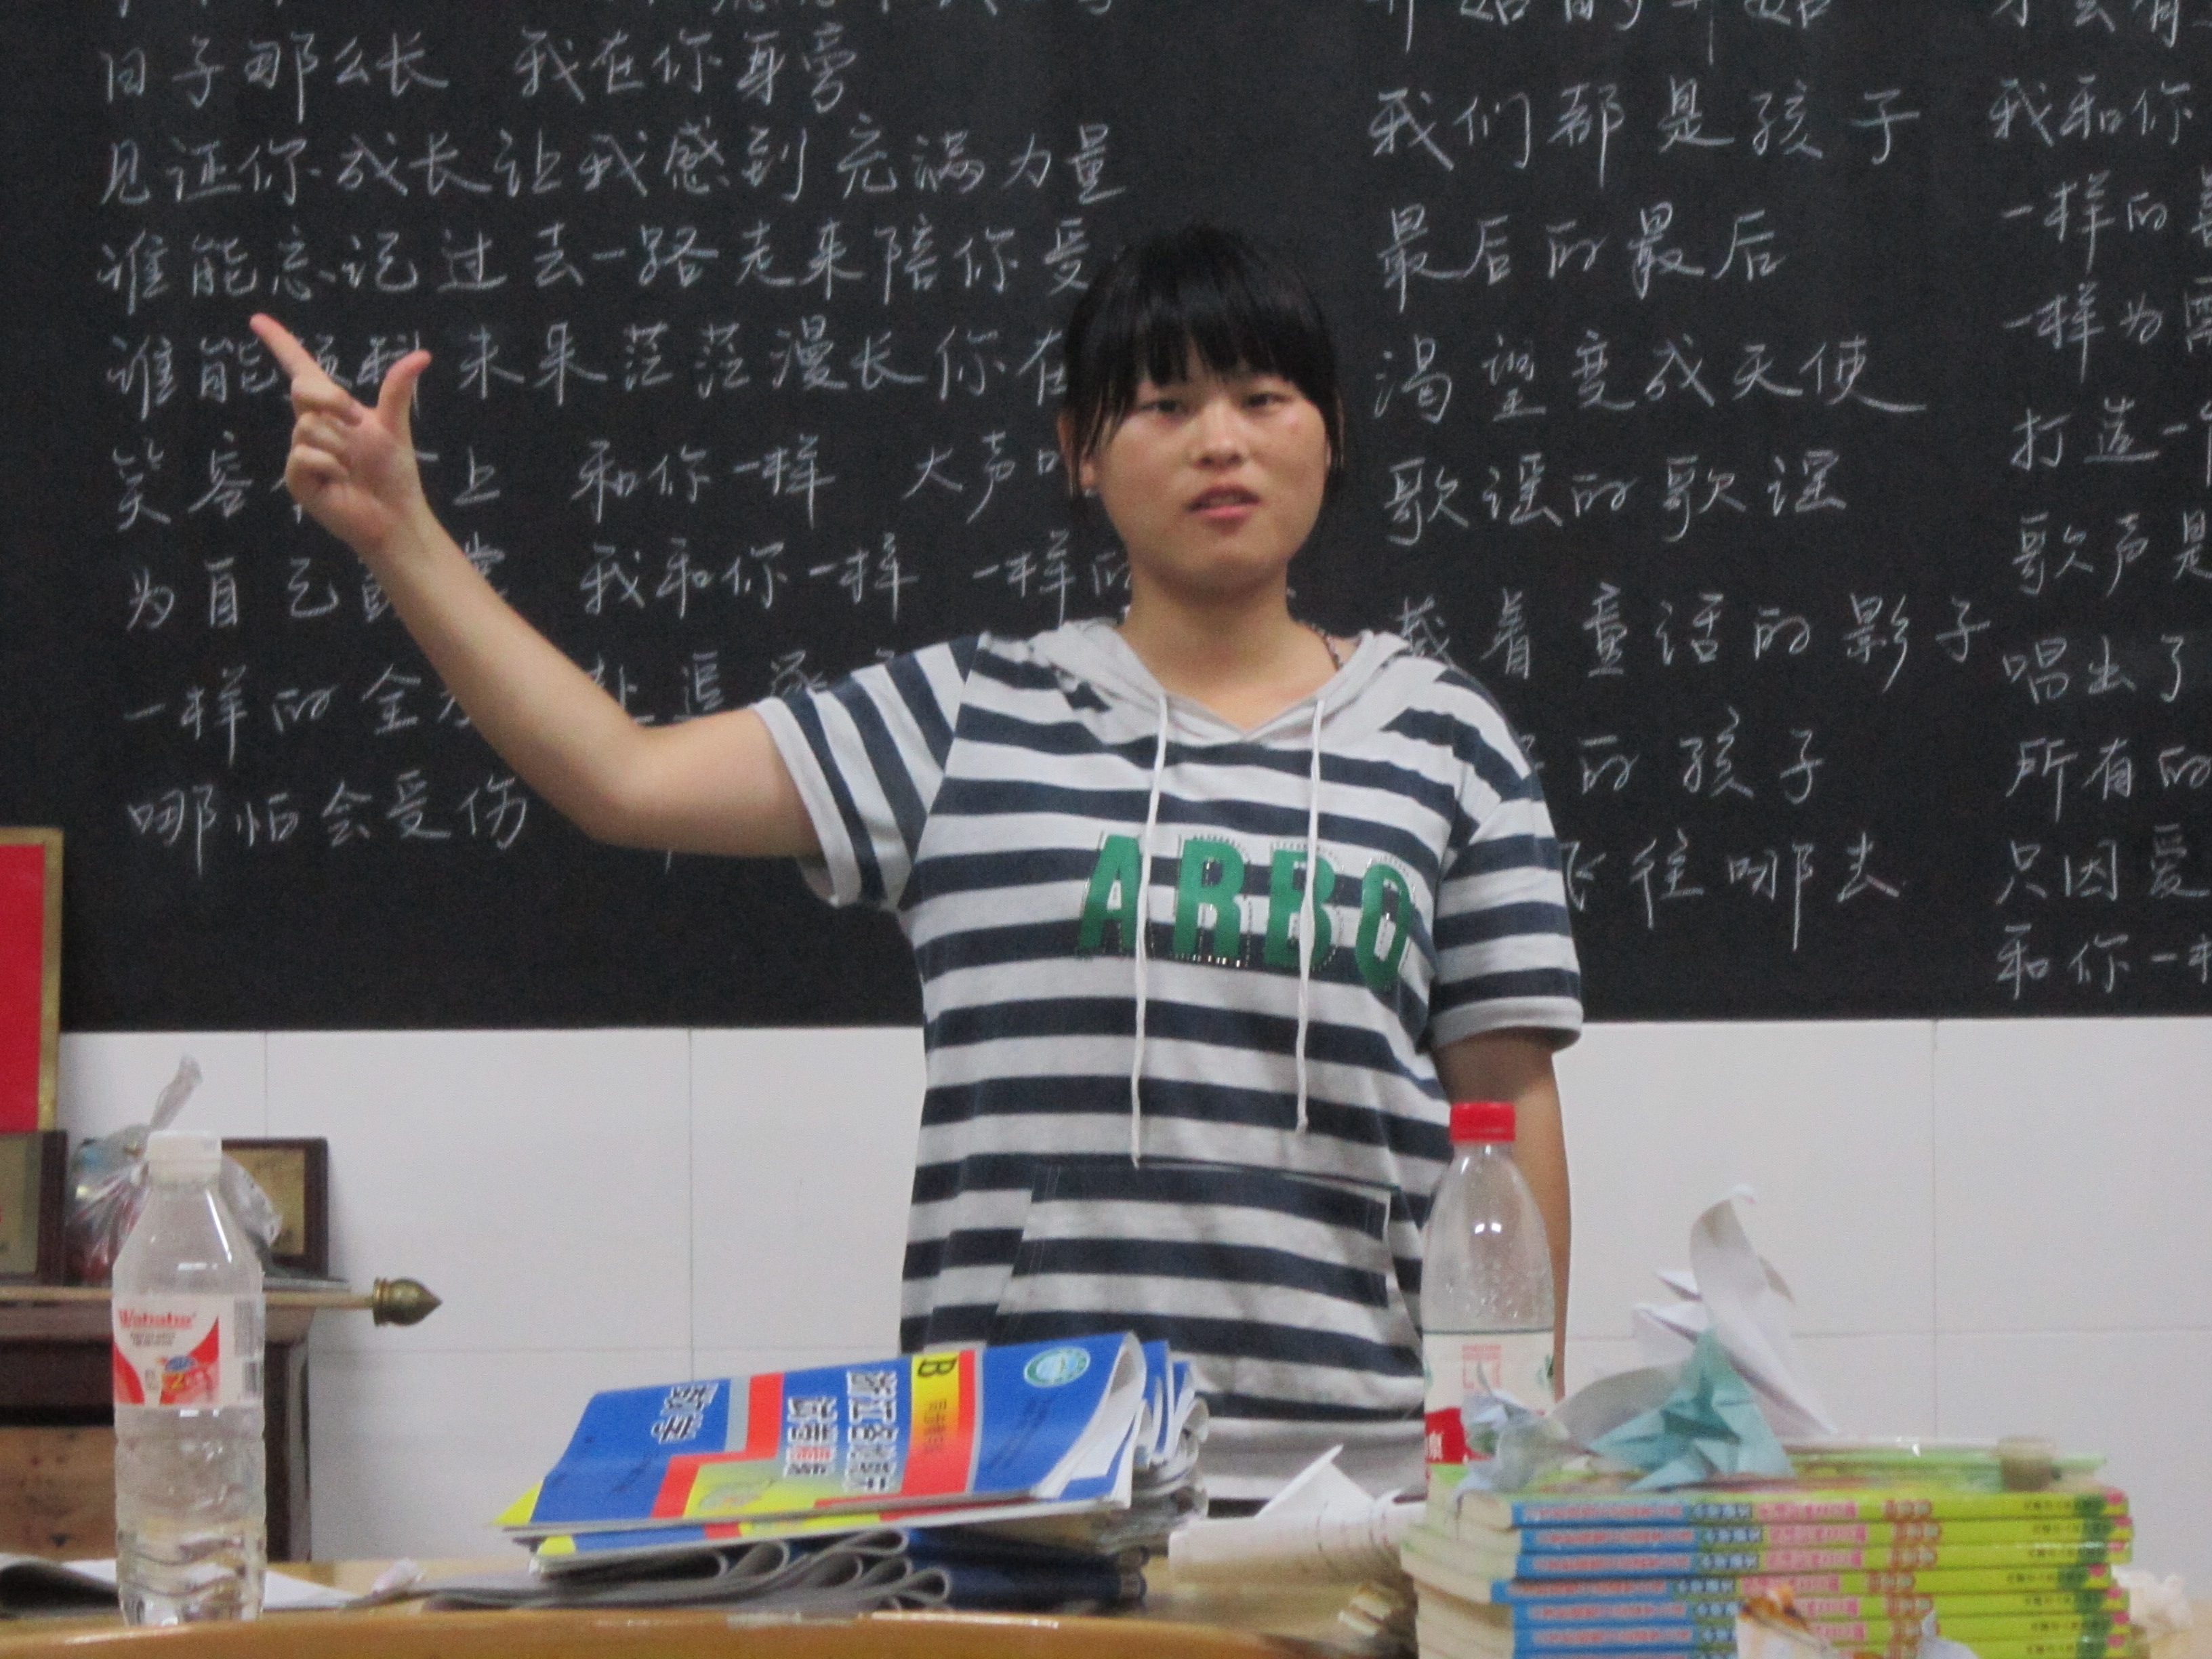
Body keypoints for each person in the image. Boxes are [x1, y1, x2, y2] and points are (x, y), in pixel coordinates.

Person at [249, 224, 1582, 1504]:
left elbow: (1509, 1112)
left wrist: (1513, 1461)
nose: (1220, 440)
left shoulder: (1442, 739)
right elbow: (622, 776)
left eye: (1263, 396)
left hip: (1361, 1491)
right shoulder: (966, 720)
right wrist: (402, 536)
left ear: (1331, 431)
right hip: (1021, 1489)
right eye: (1164, 405)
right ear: (1079, 452)